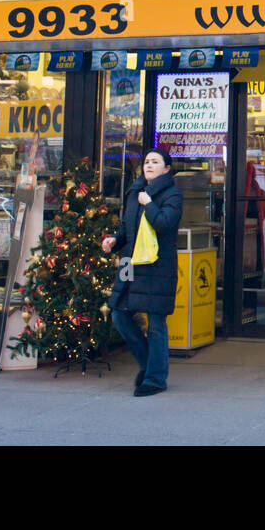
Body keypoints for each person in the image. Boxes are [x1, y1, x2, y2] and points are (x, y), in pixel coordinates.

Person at [103, 149, 183, 397]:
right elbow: (127, 227)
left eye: (155, 161)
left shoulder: (173, 194)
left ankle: (156, 379)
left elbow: (164, 223)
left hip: (157, 265)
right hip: (130, 263)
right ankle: (149, 364)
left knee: (156, 322)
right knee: (119, 314)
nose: (149, 164)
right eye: (147, 161)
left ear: (167, 169)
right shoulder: (134, 192)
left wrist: (149, 204)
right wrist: (114, 241)